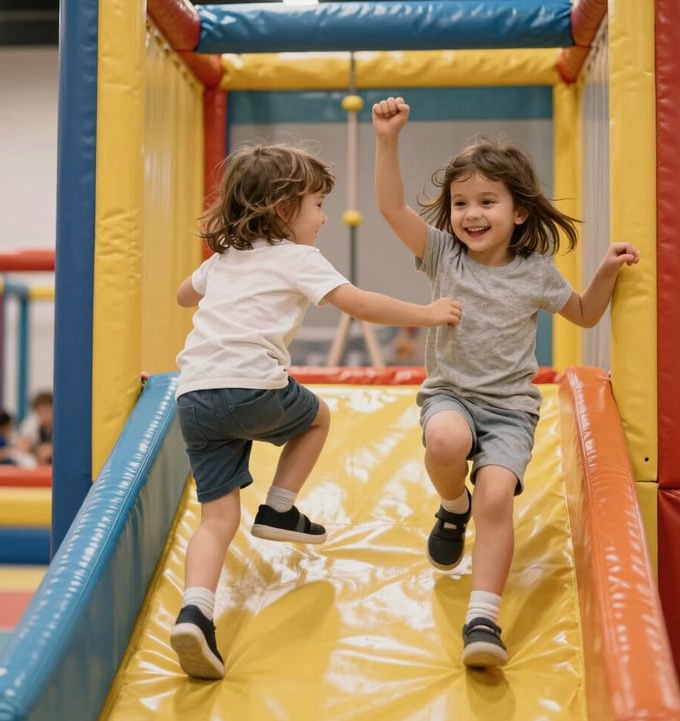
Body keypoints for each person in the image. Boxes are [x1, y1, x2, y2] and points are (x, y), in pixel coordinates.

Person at [170, 141, 462, 680]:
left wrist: (213, 274)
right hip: (253, 387)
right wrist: (426, 312)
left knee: (216, 519)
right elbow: (359, 304)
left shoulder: (224, 260)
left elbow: (183, 296)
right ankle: (280, 507)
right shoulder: (298, 257)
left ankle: (196, 613)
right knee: (317, 416)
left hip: (194, 397)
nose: (324, 217)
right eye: (317, 205)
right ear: (284, 210)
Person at [372, 97, 640, 669]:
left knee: (498, 496)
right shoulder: (444, 254)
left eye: (487, 202)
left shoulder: (536, 271)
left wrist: (607, 269)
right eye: (461, 202)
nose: (471, 213)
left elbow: (586, 314)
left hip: (511, 410)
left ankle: (483, 618)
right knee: (445, 443)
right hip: (451, 395)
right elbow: (392, 207)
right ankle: (451, 506)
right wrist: (388, 139)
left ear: (519, 212)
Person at [15, 390, 53, 466]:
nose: (43, 414)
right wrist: (37, 451)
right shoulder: (32, 422)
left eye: (46, 409)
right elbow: (21, 445)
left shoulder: (63, 424)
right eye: (39, 410)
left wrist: (52, 450)